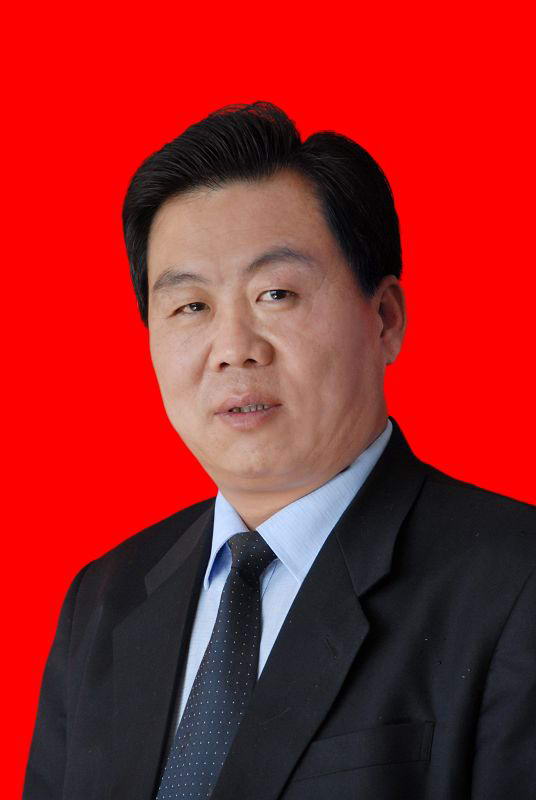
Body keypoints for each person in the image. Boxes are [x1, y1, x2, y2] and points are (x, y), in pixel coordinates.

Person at [24, 101, 535, 800]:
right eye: (191, 306)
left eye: (276, 293)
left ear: (385, 319)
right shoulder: (104, 599)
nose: (234, 349)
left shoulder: (515, 583)